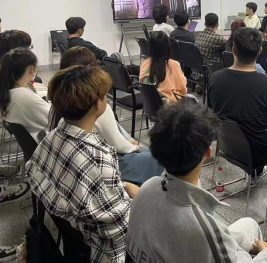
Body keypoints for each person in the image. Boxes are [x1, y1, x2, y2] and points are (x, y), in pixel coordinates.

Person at [127, 103, 267, 263]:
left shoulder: (147, 189)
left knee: (250, 225)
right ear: (208, 152)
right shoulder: (200, 228)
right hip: (198, 243)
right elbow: (209, 235)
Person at [27, 66, 139, 263]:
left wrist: (124, 186)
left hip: (77, 239)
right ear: (98, 105)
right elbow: (119, 228)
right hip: (106, 251)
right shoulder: (96, 159)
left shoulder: (53, 136)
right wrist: (143, 204)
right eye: (104, 96)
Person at [59, 47, 164, 185]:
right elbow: (118, 145)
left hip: (105, 157)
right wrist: (131, 146)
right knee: (161, 161)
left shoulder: (62, 103)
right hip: (115, 161)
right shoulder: (95, 110)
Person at [208, 28, 267, 175]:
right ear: (260, 50)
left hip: (227, 145)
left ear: (233, 50)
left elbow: (212, 114)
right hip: (262, 153)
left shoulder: (215, 79)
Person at [0, 49, 50, 142]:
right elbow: (55, 120)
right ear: (32, 69)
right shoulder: (24, 98)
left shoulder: (8, 92)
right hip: (48, 142)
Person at [140, 31, 187, 104]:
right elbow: (182, 89)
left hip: (149, 103)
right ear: (168, 46)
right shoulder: (173, 65)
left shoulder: (144, 63)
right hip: (170, 105)